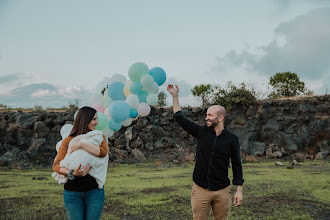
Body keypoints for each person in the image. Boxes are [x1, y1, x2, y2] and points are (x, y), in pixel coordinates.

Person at [167, 84, 244, 220]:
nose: (206, 118)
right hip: (200, 189)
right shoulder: (201, 132)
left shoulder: (232, 139)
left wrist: (239, 191)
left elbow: (237, 165)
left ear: (220, 118)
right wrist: (175, 96)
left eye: (209, 115)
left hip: (222, 191)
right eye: (206, 115)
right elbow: (180, 117)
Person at [53, 106, 109, 220]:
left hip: (94, 192)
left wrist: (82, 145)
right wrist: (72, 172)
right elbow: (56, 166)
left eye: (96, 119)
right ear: (85, 119)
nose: (96, 122)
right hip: (72, 193)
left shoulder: (99, 137)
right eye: (94, 119)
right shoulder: (68, 140)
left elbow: (102, 153)